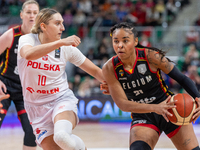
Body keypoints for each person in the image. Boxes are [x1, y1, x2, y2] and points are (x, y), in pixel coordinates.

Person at [17, 8, 107, 150]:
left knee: (62, 136)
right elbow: (28, 54)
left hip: (60, 99)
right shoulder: (27, 39)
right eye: (58, 23)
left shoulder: (66, 48)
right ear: (43, 26)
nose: (63, 28)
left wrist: (117, 86)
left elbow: (96, 71)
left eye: (62, 23)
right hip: (36, 107)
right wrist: (60, 43)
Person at [101, 22, 200, 150]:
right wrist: (155, 108)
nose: (120, 45)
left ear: (136, 41)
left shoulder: (151, 56)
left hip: (169, 108)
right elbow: (122, 104)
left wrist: (198, 97)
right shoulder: (109, 68)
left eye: (125, 41)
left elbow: (182, 78)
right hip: (143, 115)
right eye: (116, 41)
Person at [0, 0, 39, 149]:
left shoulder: (41, 39)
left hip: (26, 90)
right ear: (22, 15)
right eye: (29, 12)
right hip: (5, 85)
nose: (32, 16)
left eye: (35, 13)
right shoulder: (11, 35)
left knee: (32, 131)